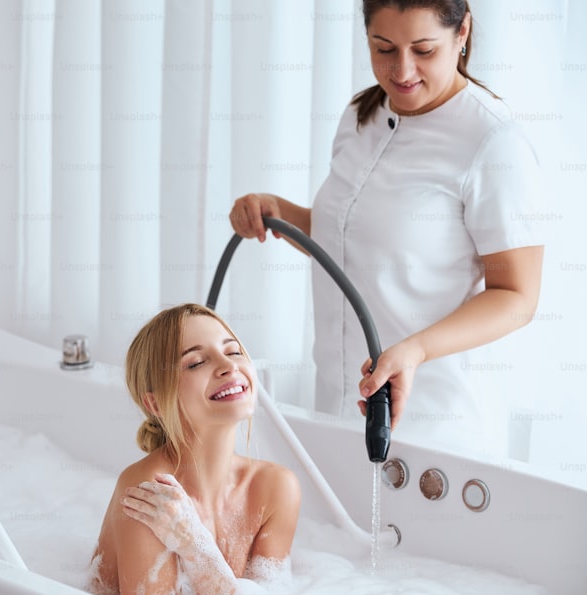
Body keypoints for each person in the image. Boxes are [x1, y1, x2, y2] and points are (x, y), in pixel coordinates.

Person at [229, 0, 544, 456]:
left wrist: (414, 350)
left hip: (436, 426)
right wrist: (280, 213)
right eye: (384, 48)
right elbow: (353, 240)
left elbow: (518, 297)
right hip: (337, 410)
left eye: (423, 49)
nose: (402, 70)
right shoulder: (362, 114)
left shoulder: (495, 142)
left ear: (462, 33)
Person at [88, 303, 301, 595]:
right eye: (196, 362)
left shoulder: (276, 487)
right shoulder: (148, 493)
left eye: (234, 351)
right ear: (157, 403)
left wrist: (195, 546)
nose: (229, 366)